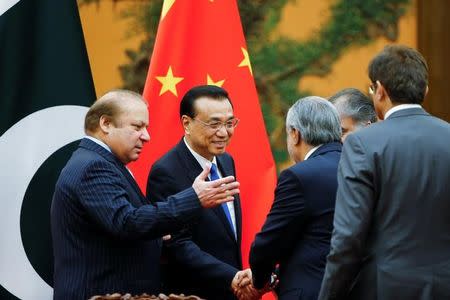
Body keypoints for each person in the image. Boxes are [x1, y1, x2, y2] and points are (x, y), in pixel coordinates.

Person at [51, 90, 240, 300]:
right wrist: (194, 198)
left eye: (146, 127)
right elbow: (126, 222)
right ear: (105, 124)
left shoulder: (103, 162)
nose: (146, 136)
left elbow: (120, 225)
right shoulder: (93, 166)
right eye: (137, 127)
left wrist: (156, 234)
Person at [318, 45, 450, 300]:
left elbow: (347, 239)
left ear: (379, 90)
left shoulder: (362, 144)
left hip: (385, 289)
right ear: (425, 90)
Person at [146, 85, 252, 300]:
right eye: (214, 124)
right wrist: (230, 276)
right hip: (194, 293)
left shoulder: (225, 160)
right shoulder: (166, 171)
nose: (224, 133)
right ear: (187, 123)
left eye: (230, 123)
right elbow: (176, 244)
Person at [248, 96, 342, 300]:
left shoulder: (299, 176)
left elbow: (268, 244)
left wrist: (259, 281)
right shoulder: (363, 166)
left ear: (295, 134)